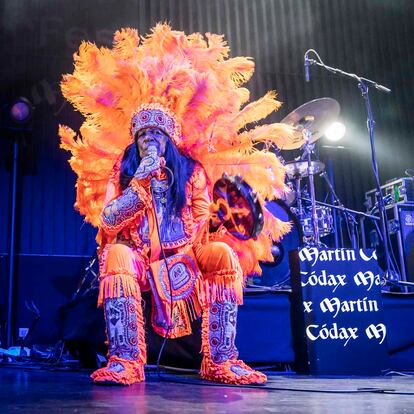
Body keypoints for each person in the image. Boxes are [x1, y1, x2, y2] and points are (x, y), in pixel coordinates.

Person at [59, 24, 292, 386]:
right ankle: (125, 360)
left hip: (186, 253)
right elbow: (107, 221)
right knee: (117, 255)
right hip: (139, 255)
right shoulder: (123, 173)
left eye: (156, 135)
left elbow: (200, 218)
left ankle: (221, 360)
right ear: (135, 142)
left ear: (169, 140)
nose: (150, 140)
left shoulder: (193, 172)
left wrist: (217, 224)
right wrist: (140, 184)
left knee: (223, 255)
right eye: (143, 136)